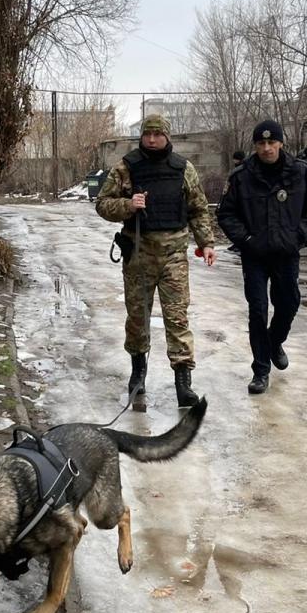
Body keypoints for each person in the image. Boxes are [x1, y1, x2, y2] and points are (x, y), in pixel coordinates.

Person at [96, 114, 216, 408]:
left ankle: (183, 382)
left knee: (177, 318)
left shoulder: (182, 168)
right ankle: (138, 373)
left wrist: (207, 243)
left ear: (167, 136)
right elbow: (102, 203)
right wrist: (128, 205)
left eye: (157, 134)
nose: (151, 139)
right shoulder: (127, 167)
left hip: (174, 254)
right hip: (139, 253)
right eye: (147, 134)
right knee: (137, 319)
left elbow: (198, 209)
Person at [217, 119, 307, 394]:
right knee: (257, 310)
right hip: (255, 255)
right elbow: (225, 214)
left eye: (271, 142)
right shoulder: (241, 177)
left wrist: (298, 236)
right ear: (255, 146)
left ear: (280, 143)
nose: (266, 148)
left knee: (289, 303)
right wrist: (246, 240)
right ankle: (261, 371)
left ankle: (274, 340)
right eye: (261, 143)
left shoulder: (300, 172)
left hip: (286, 253)